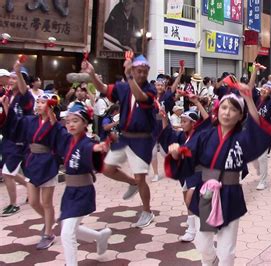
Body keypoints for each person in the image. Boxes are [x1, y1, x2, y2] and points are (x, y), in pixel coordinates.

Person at [165, 82, 271, 266]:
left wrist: (248, 98)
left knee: (227, 252)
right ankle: (211, 261)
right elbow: (188, 155)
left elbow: (258, 129)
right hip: (206, 193)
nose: (227, 112)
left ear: (240, 115)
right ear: (217, 111)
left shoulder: (242, 138)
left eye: (233, 110)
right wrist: (177, 153)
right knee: (203, 245)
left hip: (230, 194)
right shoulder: (205, 136)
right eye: (223, 107)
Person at [83, 54, 159, 228]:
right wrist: (92, 75)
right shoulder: (123, 87)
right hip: (124, 136)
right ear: (133, 70)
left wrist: (129, 76)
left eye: (144, 72)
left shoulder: (150, 90)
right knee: (107, 168)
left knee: (141, 178)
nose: (141, 75)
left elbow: (140, 98)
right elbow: (103, 88)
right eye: (138, 71)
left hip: (142, 140)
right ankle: (131, 183)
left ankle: (147, 211)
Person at [0, 62, 59, 249]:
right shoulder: (29, 120)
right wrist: (7, 108)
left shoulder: (54, 124)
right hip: (33, 160)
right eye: (39, 101)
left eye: (42, 102)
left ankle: (49, 232)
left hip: (48, 163)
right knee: (33, 201)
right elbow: (14, 124)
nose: (38, 104)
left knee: (46, 202)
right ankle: (49, 221)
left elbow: (63, 141)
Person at [51, 102, 111, 266]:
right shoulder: (68, 139)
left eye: (75, 121)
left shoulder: (86, 143)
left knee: (67, 232)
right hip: (70, 191)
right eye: (68, 121)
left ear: (85, 123)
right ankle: (100, 237)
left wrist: (98, 148)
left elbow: (91, 149)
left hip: (83, 191)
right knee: (70, 227)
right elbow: (56, 128)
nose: (70, 124)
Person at [159, 92, 210, 242]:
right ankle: (192, 226)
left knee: (191, 198)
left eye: (185, 121)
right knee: (187, 198)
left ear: (193, 123)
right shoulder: (182, 136)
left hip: (199, 172)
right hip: (185, 172)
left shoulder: (201, 134)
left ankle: (195, 228)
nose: (181, 124)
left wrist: (197, 103)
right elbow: (168, 135)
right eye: (181, 120)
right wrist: (163, 117)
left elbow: (208, 121)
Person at [1, 66, 35, 217]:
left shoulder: (25, 97)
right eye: (11, 77)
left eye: (15, 78)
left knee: (7, 173)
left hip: (20, 140)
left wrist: (18, 72)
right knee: (10, 171)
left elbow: (24, 90)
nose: (11, 80)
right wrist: (5, 106)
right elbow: (10, 120)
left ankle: (13, 204)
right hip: (10, 138)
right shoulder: (10, 97)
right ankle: (30, 187)